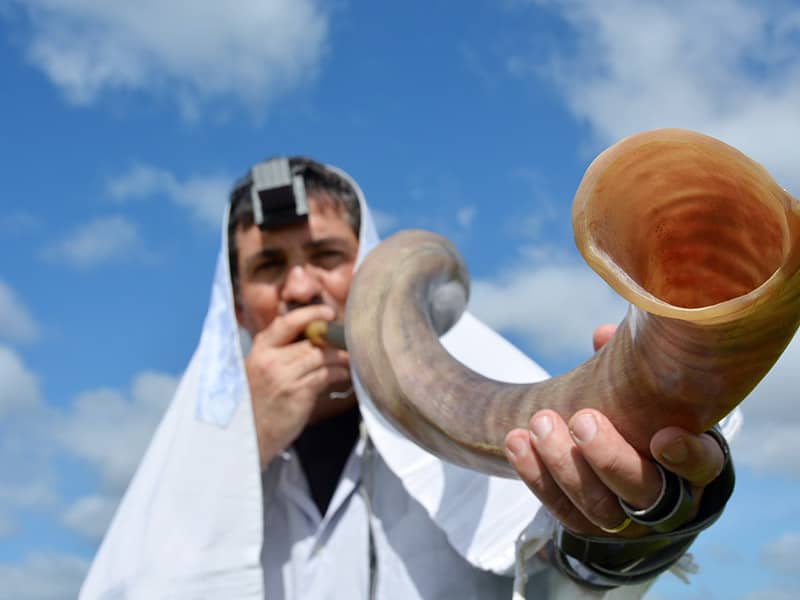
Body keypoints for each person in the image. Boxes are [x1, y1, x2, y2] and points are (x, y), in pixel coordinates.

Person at [81, 157, 737, 599]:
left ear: (368, 270)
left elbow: (562, 583)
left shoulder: (468, 422)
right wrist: (240, 447)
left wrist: (646, 521)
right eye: (268, 267)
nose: (301, 289)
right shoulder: (191, 471)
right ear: (235, 307)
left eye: (328, 256)